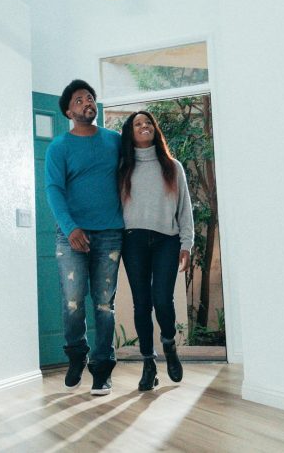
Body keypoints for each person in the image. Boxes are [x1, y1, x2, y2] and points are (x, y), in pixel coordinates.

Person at [45, 79, 124, 396]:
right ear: (68, 110)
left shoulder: (115, 141)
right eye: (79, 100)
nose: (86, 103)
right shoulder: (59, 147)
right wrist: (71, 227)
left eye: (90, 98)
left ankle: (102, 369)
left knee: (104, 305)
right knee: (73, 302)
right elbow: (53, 190)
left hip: (110, 234)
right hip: (71, 236)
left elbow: (138, 167)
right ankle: (77, 356)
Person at [118, 110, 194, 391]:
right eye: (138, 124)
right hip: (133, 240)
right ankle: (149, 363)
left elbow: (185, 209)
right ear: (131, 132)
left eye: (148, 122)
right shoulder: (123, 167)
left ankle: (169, 344)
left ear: (155, 129)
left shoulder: (173, 167)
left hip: (166, 240)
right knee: (142, 303)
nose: (144, 126)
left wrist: (187, 243)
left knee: (162, 300)